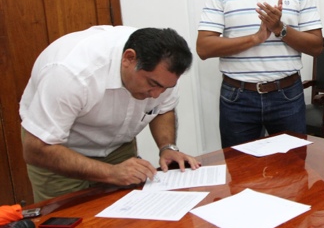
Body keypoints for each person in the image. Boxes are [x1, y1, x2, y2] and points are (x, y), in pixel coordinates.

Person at [20, 26, 200, 202]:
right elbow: (37, 148)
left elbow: (163, 108)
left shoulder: (163, 77)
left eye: (165, 88)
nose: (156, 94)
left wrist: (167, 147)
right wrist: (111, 173)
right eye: (152, 84)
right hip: (60, 152)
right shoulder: (71, 74)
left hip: (118, 148)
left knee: (127, 218)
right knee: (70, 223)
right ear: (129, 58)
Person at [196, 0, 323, 148]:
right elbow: (203, 48)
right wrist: (255, 38)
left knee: (293, 174)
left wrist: (280, 28)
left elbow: (316, 46)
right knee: (240, 174)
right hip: (237, 98)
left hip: (287, 95)